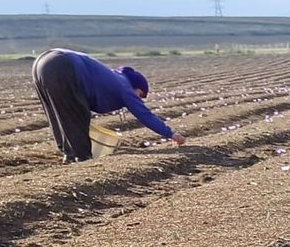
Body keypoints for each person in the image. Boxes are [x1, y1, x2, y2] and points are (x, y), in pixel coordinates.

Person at [31, 48, 186, 162]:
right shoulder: (125, 87)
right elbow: (145, 115)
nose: (139, 99)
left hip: (42, 62)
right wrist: (171, 134)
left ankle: (69, 154)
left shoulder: (114, 77)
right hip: (63, 64)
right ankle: (81, 157)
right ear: (137, 88)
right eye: (141, 95)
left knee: (58, 112)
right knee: (78, 114)